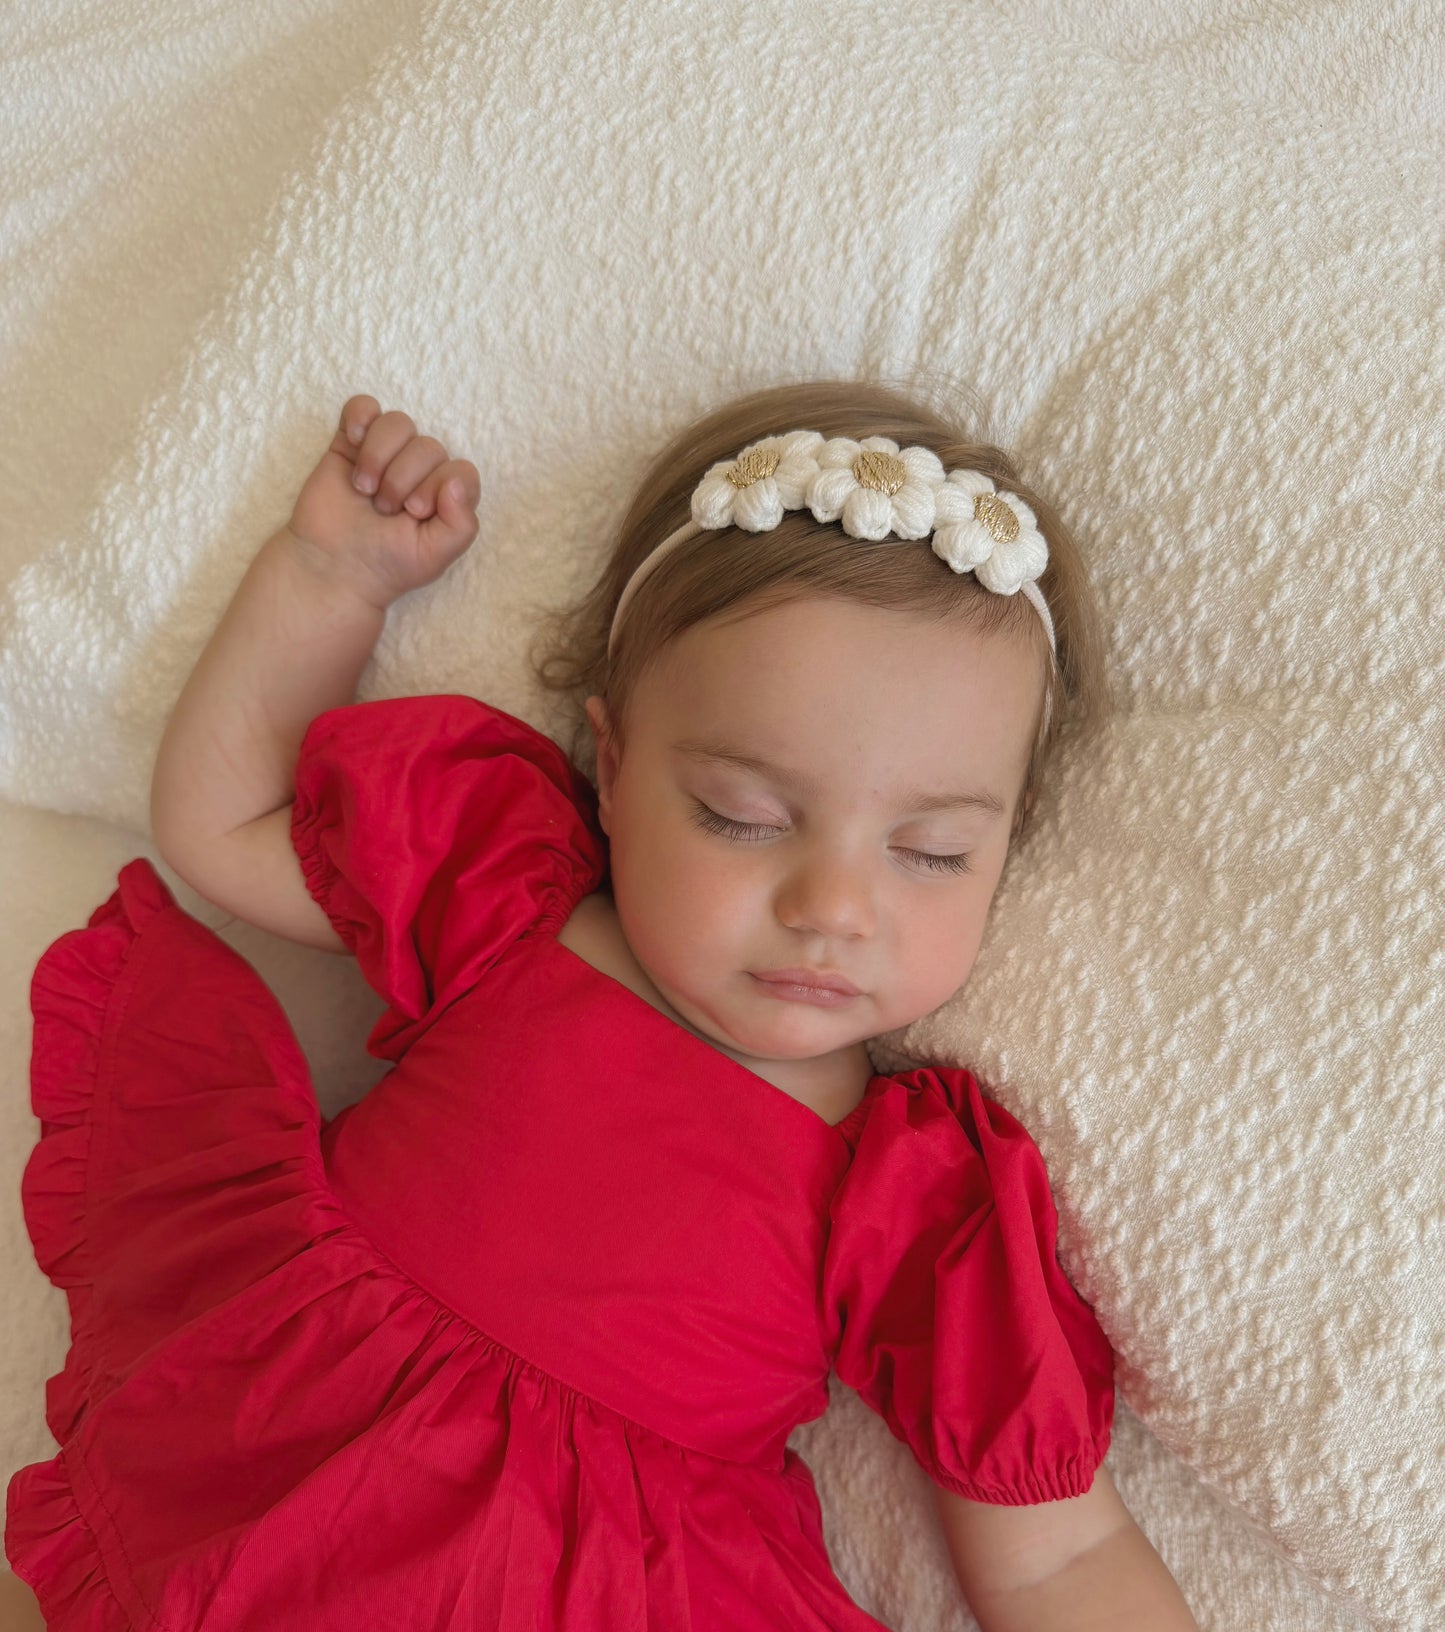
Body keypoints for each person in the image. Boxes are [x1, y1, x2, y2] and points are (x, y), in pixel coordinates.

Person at [3, 380, 1198, 1629]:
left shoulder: (909, 1195)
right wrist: (328, 579)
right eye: (742, 815)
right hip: (287, 1454)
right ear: (614, 770)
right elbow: (225, 823)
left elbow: (1056, 1556)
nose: (831, 906)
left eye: (933, 851)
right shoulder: (503, 899)